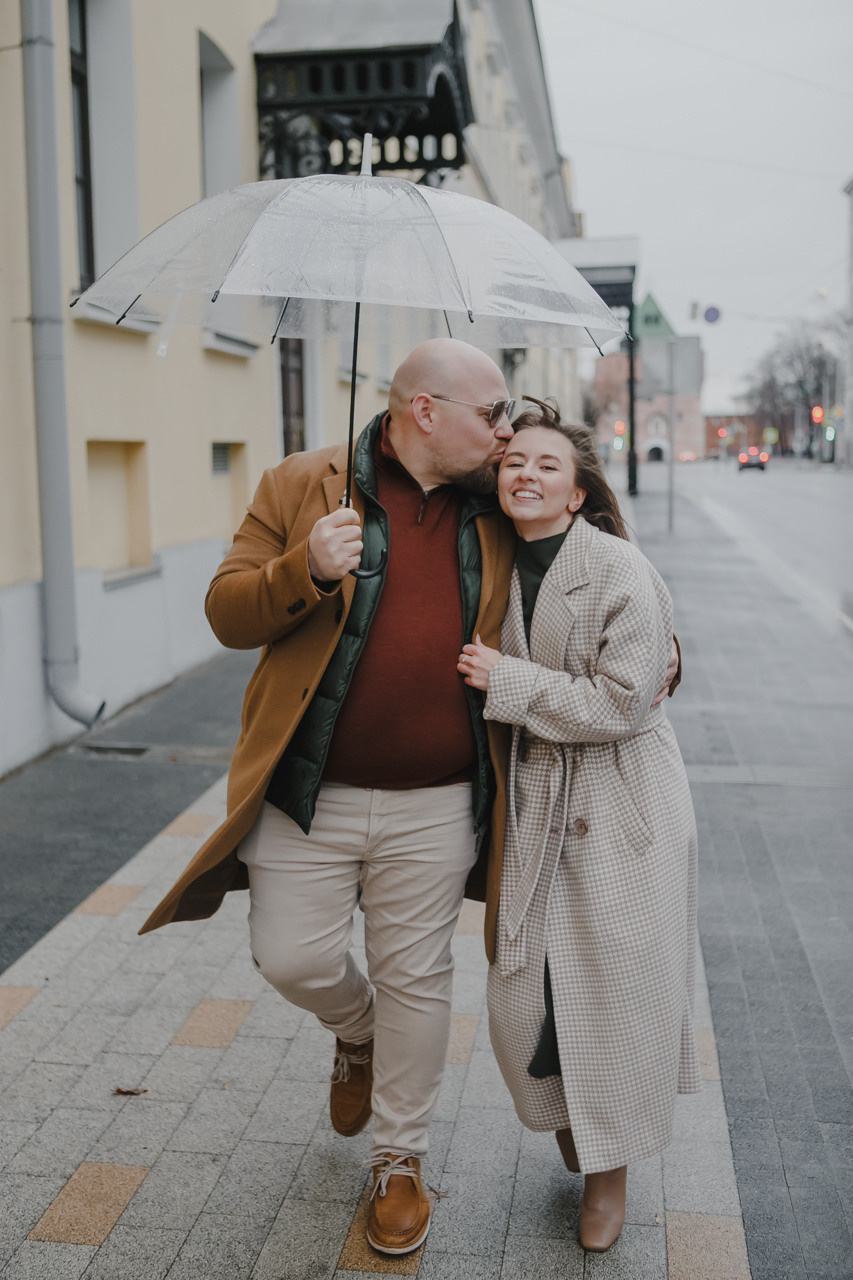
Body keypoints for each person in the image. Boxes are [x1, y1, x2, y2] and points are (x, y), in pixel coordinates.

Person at [139, 343, 678, 1258]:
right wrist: (306, 569)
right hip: (308, 792)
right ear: (425, 411)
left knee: (417, 977)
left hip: (440, 797)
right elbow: (227, 611)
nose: (506, 435)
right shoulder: (301, 485)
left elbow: (593, 560)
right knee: (290, 958)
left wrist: (666, 649)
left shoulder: (494, 501)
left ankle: (399, 1160)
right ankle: (358, 1034)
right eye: (492, 415)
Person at [458, 398, 699, 1254]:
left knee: (612, 991)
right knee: (529, 991)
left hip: (622, 800)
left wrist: (507, 680)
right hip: (536, 798)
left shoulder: (616, 566)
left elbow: (623, 703)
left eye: (546, 465)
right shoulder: (485, 555)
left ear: (577, 492)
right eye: (513, 461)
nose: (525, 474)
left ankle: (609, 1172)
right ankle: (575, 1118)